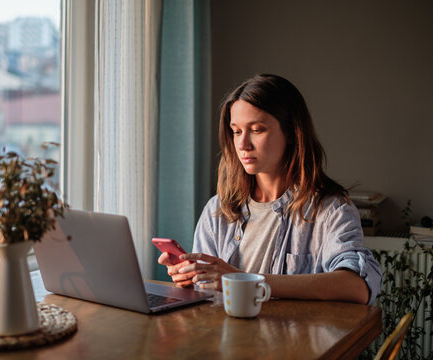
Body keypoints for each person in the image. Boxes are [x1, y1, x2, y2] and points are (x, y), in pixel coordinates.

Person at [158, 74, 382, 305]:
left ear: (293, 134)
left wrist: (244, 280)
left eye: (256, 129)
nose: (243, 144)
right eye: (236, 131)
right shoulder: (218, 209)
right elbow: (207, 296)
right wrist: (189, 280)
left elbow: (357, 287)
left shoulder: (331, 209)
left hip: (292, 340)